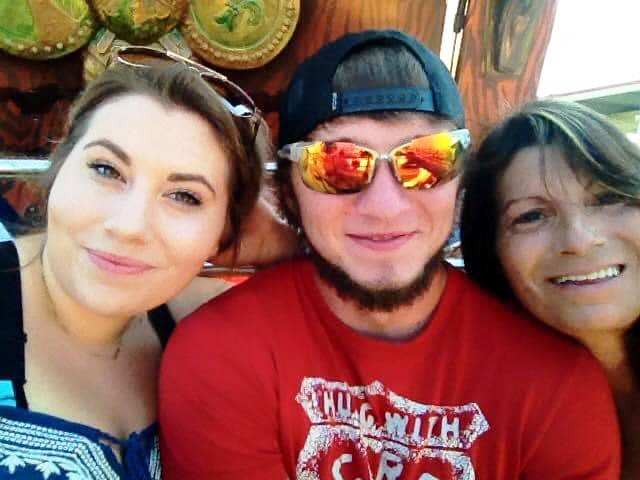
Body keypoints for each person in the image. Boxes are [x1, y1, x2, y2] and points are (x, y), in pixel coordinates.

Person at [159, 30, 621, 479]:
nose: (385, 206)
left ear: (461, 182)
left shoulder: (556, 384)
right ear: (287, 190)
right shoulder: (222, 355)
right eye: (337, 164)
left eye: (425, 160)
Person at [0, 59, 288, 479]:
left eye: (184, 196)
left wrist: (287, 245)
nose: (128, 226)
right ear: (61, 161)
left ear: (226, 231)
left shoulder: (206, 323)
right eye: (106, 170)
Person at [460, 99, 640, 479]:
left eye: (608, 198)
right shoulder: (474, 418)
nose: (580, 240)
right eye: (532, 216)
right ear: (491, 252)